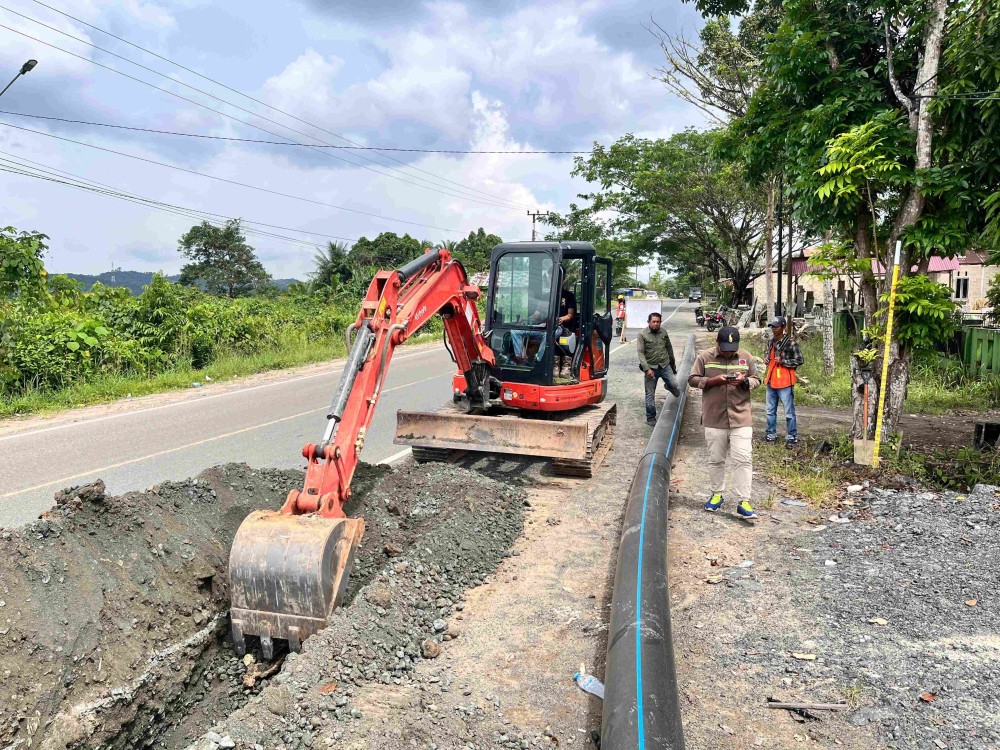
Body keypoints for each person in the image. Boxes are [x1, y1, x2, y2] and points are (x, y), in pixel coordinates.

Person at [688, 326, 761, 520]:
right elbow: (692, 379)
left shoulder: (746, 357)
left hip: (741, 417)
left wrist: (745, 381)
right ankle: (717, 494)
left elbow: (757, 379)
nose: (729, 351)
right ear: (717, 343)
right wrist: (713, 381)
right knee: (716, 460)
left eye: (732, 348)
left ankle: (744, 501)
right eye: (725, 347)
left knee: (743, 459)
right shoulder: (705, 357)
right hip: (714, 418)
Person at [763, 316, 804, 446]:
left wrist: (784, 361)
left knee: (789, 412)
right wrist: (767, 360)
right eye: (772, 326)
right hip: (771, 380)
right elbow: (768, 356)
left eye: (776, 326)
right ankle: (771, 434)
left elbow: (799, 360)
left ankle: (792, 436)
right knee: (770, 411)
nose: (774, 329)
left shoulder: (791, 343)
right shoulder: (771, 342)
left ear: (783, 327)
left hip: (785, 382)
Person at [637, 311, 680, 426]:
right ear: (649, 322)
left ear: (661, 322)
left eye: (658, 322)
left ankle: (668, 386)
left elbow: (669, 348)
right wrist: (647, 369)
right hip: (651, 368)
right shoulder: (642, 335)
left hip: (665, 365)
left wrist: (673, 363)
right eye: (653, 322)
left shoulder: (664, 333)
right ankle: (651, 417)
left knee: (674, 386)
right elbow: (640, 353)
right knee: (650, 393)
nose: (656, 324)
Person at [555, 284, 577, 377]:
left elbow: (570, 315)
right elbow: (538, 313)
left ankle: (565, 366)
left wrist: (561, 319)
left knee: (553, 335)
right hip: (550, 326)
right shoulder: (548, 295)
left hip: (564, 327)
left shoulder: (569, 296)